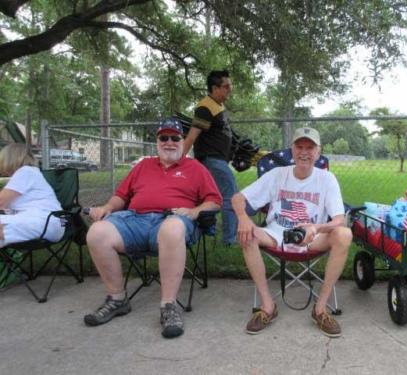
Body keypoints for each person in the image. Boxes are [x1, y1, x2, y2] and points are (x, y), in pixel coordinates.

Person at [83, 117, 222, 339]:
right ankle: (117, 299)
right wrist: (107, 207)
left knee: (172, 228)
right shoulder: (143, 165)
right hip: (135, 220)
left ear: (183, 140)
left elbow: (214, 200)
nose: (169, 142)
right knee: (97, 232)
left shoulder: (195, 167)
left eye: (175, 138)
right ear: (157, 141)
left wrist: (195, 212)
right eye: (163, 137)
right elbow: (121, 195)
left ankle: (169, 306)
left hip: (174, 220)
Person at [231, 127, 352, 337]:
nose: (304, 152)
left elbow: (339, 220)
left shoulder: (327, 179)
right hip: (276, 235)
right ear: (292, 150)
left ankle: (320, 309)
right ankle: (268, 306)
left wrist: (315, 228)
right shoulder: (277, 175)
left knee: (345, 234)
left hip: (312, 238)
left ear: (318, 151)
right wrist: (243, 218)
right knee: (247, 233)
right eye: (299, 146)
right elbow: (237, 198)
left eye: (310, 147)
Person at [183, 69, 238, 245]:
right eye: (226, 86)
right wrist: (177, 161)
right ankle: (230, 240)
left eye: (230, 86)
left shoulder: (217, 106)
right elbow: (192, 136)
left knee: (212, 198)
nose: (230, 89)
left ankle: (208, 232)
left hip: (218, 161)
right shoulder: (205, 108)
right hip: (211, 160)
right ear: (215, 88)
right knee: (231, 196)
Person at [0, 143, 64, 247]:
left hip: (45, 221)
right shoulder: (28, 173)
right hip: (45, 222)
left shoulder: (26, 172)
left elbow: (1, 201)